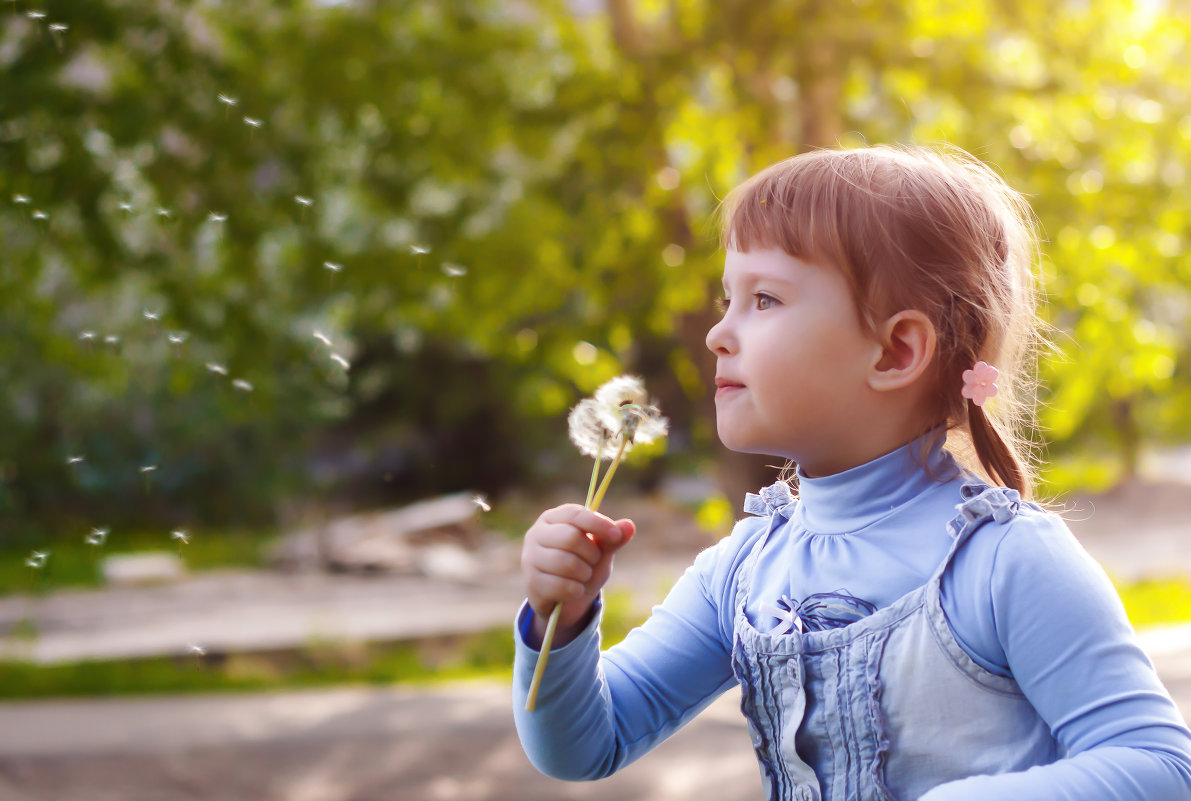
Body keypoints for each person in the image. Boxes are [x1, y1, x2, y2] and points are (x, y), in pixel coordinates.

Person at [511, 144, 1191, 800]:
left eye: (764, 299)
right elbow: (582, 745)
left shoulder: (1003, 560)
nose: (719, 332)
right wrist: (560, 624)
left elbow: (1159, 765)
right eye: (727, 298)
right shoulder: (743, 571)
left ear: (896, 351)